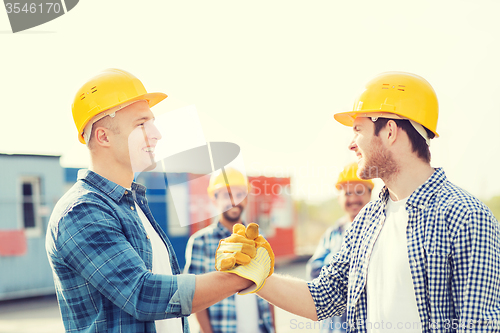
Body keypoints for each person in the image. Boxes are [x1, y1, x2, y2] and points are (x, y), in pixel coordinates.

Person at [217, 72, 500, 332]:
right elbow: (323, 298)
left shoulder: (465, 216)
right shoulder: (367, 221)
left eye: (358, 130)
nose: (351, 144)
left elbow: (479, 326)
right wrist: (257, 274)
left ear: (389, 131)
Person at [45, 69, 258, 333]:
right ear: (103, 136)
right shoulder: (82, 211)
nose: (157, 134)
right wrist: (241, 277)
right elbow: (143, 295)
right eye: (141, 124)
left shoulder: (133, 206)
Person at [184, 168, 275, 333]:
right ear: (214, 199)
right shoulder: (200, 242)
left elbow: (270, 290)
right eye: (227, 195)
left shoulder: (259, 240)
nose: (234, 201)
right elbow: (194, 297)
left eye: (239, 195)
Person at [306, 162, 373, 332]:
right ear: (339, 198)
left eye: (359, 191)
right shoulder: (332, 234)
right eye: (347, 193)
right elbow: (314, 273)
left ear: (370, 194)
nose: (353, 199)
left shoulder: (382, 228)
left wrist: (337, 268)